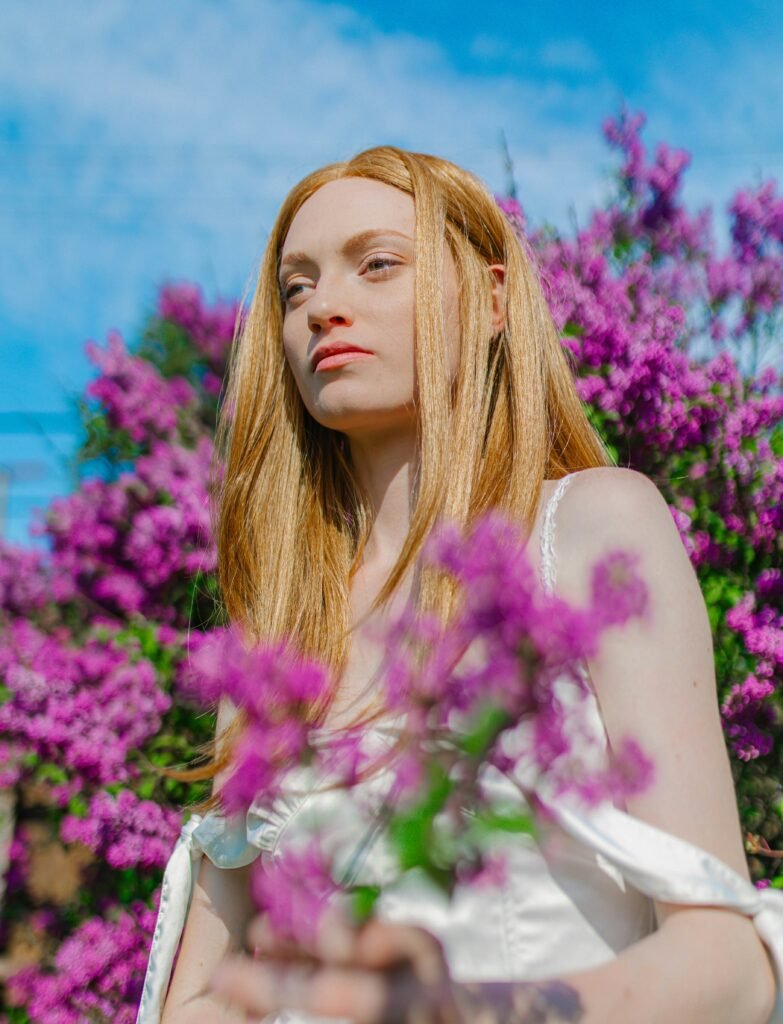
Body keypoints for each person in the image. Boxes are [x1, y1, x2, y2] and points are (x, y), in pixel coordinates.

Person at [136, 146, 782, 1024]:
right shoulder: (274, 637)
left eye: (377, 264)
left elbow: (728, 962)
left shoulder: (592, 527)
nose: (323, 306)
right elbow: (203, 994)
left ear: (487, 300)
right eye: (295, 288)